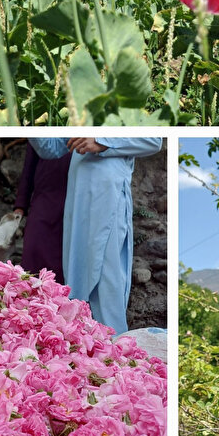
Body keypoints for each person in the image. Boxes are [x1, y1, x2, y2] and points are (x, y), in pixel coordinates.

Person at [29, 137, 162, 334]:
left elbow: (153, 140)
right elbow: (51, 148)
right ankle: (84, 348)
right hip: (78, 198)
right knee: (76, 275)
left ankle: (114, 348)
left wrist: (103, 142)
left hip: (108, 192)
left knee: (107, 275)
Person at [12, 141, 72, 285]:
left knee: (64, 263)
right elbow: (29, 166)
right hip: (43, 199)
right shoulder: (43, 125)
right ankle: (28, 304)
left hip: (73, 202)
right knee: (33, 253)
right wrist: (21, 205)